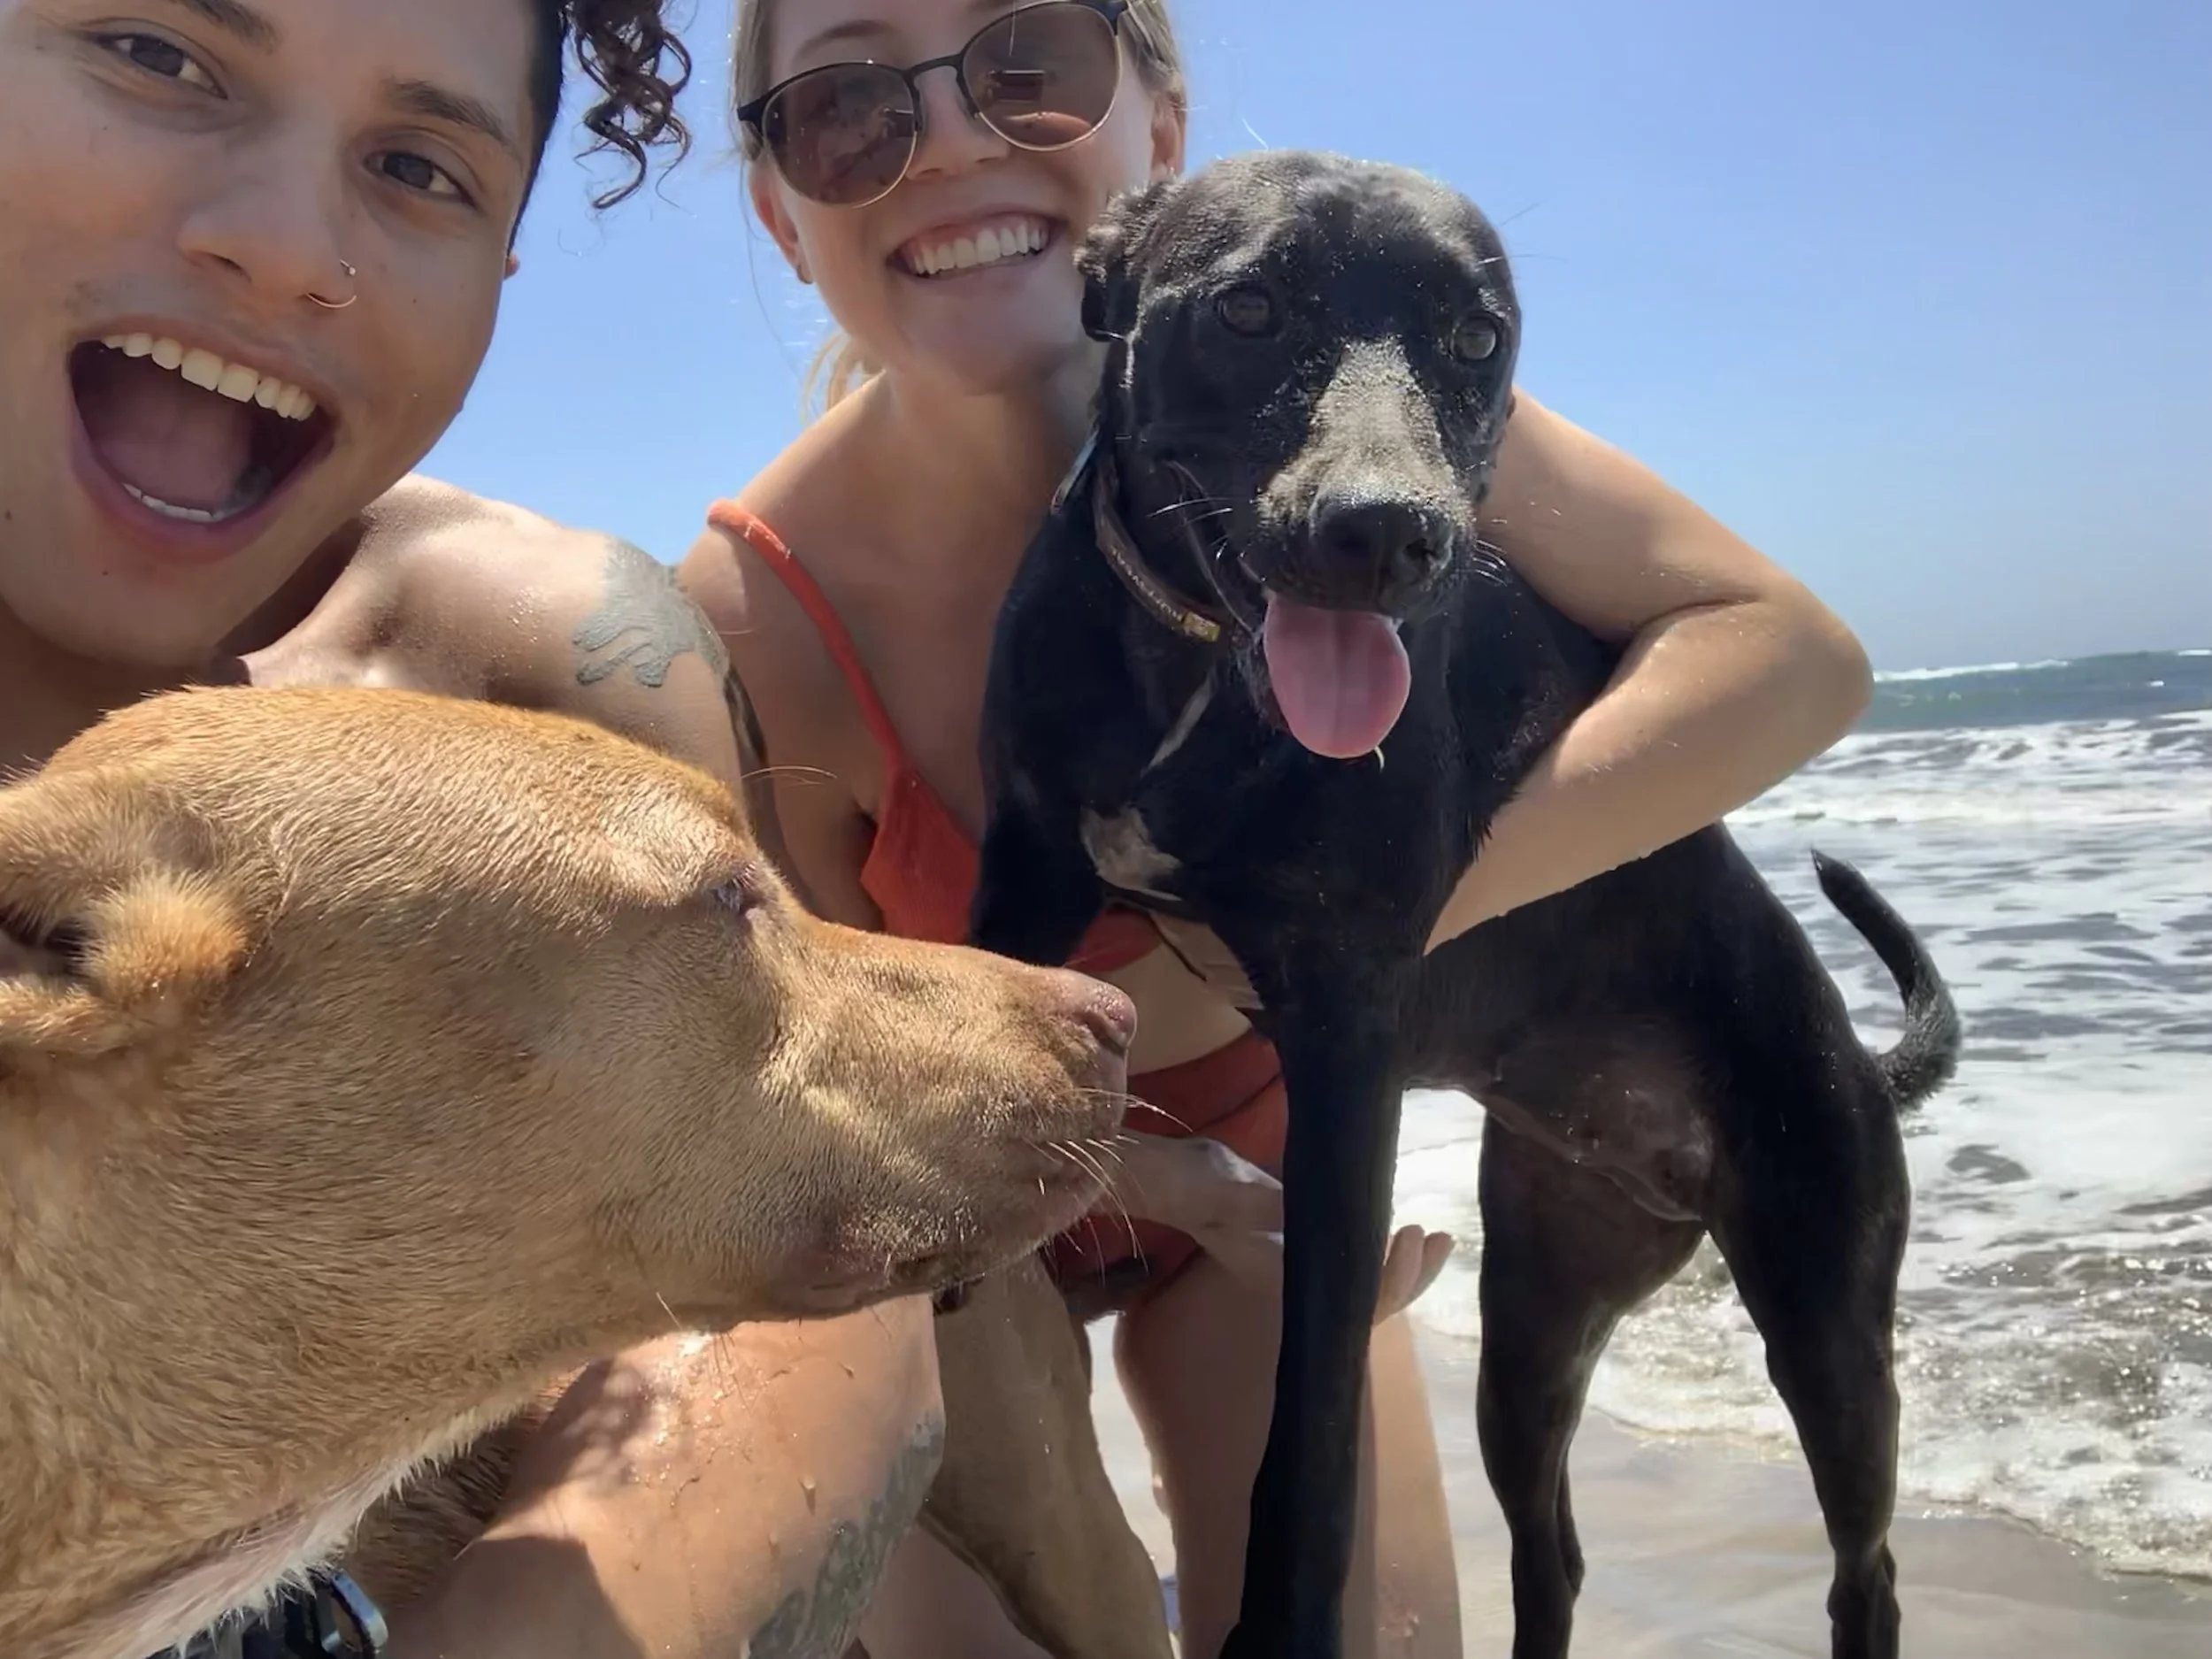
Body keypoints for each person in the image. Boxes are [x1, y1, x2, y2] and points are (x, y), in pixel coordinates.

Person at [4, 3, 1219, 1655]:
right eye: (157, 58)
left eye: (421, 164)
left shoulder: (534, 649)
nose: (284, 246)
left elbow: (820, 1271)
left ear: (505, 263)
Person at [678, 1, 1878, 1656]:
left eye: (1032, 62)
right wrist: (1136, 1184)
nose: (949, 139)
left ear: (1161, 145)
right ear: (775, 207)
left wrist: (1388, 931)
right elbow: (800, 1078)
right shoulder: (754, 617)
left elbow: (1792, 657)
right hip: (975, 1177)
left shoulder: (1378, 399)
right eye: (846, 107)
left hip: (1276, 1186)